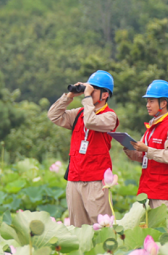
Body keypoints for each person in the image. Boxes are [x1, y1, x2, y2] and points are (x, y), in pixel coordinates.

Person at [48, 70, 119, 227]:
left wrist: (87, 98)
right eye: (89, 88)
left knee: (101, 227)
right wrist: (70, 96)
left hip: (95, 181)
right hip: (74, 179)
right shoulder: (78, 114)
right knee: (77, 228)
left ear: (105, 95)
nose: (89, 91)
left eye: (94, 89)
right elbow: (53, 115)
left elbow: (90, 121)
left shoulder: (110, 116)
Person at [124, 80, 168, 208]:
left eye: (151, 101)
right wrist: (129, 149)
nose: (147, 105)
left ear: (163, 103)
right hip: (148, 190)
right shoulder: (151, 128)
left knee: (163, 227)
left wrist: (147, 149)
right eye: (147, 101)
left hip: (165, 193)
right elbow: (142, 156)